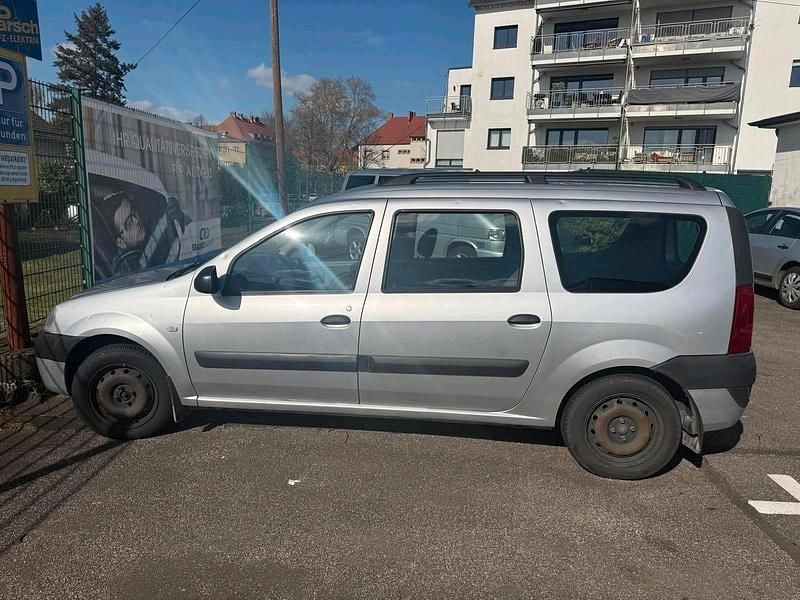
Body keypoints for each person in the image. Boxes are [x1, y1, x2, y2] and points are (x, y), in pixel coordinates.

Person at [110, 191, 192, 275]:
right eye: (129, 223)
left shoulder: (144, 248)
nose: (136, 221)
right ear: (120, 242)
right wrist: (169, 221)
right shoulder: (127, 269)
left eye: (134, 213)